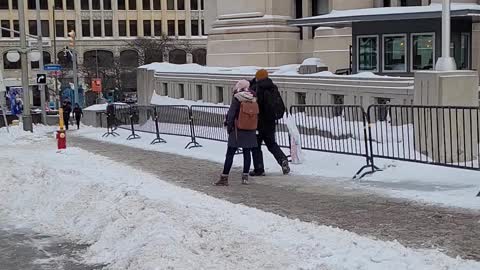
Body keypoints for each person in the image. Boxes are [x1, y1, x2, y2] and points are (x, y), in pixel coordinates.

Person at [214, 80, 258, 186]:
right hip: (250, 129)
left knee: (230, 154)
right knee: (247, 154)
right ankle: (245, 177)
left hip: (237, 129)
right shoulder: (254, 98)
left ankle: (224, 178)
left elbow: (231, 114)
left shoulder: (237, 97)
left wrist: (229, 128)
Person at [250, 69, 290, 176]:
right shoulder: (272, 87)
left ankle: (259, 169)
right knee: (272, 144)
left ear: (257, 77)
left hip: (258, 123)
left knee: (255, 146)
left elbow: (254, 105)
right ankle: (282, 160)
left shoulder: (257, 88)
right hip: (270, 122)